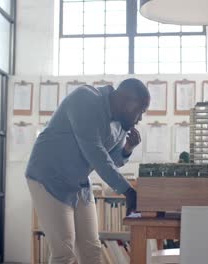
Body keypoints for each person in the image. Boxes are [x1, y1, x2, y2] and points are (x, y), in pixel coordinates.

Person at [25, 78, 150, 264]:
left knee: (92, 249)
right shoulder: (85, 100)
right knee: (64, 253)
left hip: (79, 184)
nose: (139, 118)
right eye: (140, 111)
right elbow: (96, 155)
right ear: (126, 100)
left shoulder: (121, 125)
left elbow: (110, 161)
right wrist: (129, 192)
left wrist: (127, 150)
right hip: (48, 178)